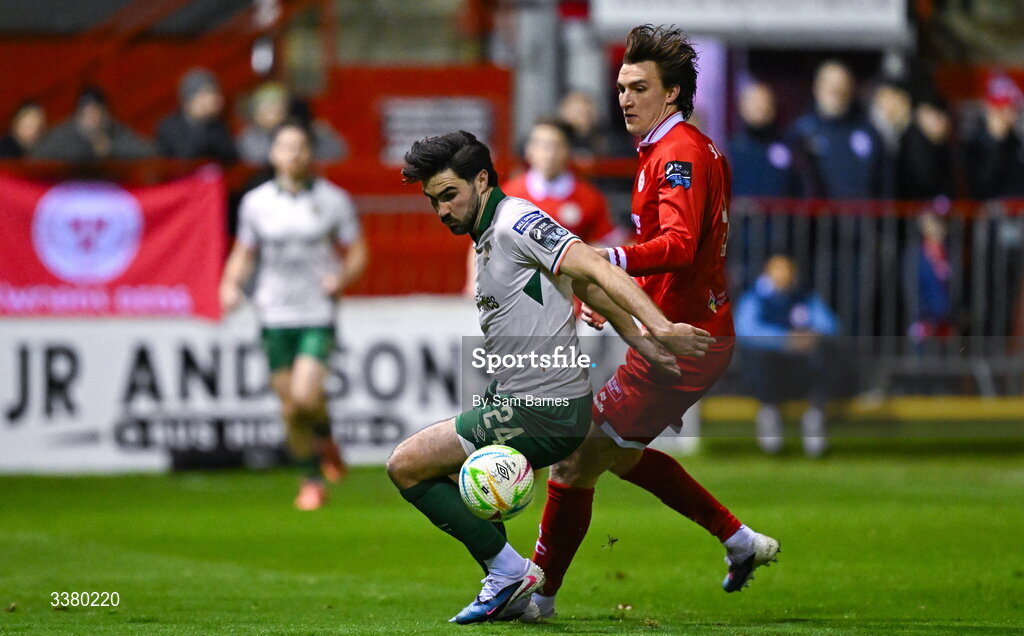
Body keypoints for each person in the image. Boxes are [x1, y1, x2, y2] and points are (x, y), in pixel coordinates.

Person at [387, 130, 714, 624]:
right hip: (520, 396)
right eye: (434, 201)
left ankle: (508, 574)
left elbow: (596, 267)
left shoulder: (516, 221)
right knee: (464, 483)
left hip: (540, 408)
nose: (442, 210)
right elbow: (579, 282)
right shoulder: (491, 233)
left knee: (406, 465)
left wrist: (660, 328)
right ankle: (508, 585)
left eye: (449, 194)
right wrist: (640, 340)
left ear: (481, 180)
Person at [527, 25, 779, 621]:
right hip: (679, 328)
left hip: (683, 339)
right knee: (617, 454)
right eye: (620, 87)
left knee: (575, 460)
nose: (624, 98)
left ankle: (537, 598)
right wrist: (619, 289)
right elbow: (673, 254)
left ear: (671, 95)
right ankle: (739, 540)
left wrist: (606, 259)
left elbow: (681, 244)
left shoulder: (681, 153)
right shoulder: (672, 150)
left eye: (639, 87)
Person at [220, 121, 368, 511]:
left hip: (316, 311)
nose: (293, 154)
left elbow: (357, 252)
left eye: (300, 147)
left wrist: (342, 277)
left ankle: (323, 441)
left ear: (310, 154)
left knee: (304, 395)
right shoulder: (255, 203)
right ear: (273, 155)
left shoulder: (333, 200)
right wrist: (230, 283)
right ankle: (312, 476)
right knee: (290, 407)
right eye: (285, 147)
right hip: (273, 313)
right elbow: (245, 251)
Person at [735, 255, 839, 457]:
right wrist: (785, 339)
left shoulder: (804, 297)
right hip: (769, 370)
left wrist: (811, 335)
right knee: (760, 356)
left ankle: (815, 417)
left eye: (788, 270)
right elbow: (745, 330)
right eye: (778, 270)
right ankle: (769, 415)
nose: (784, 276)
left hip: (800, 368)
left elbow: (830, 325)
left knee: (825, 354)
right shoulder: (755, 299)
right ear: (768, 273)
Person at [505, 117, 628, 246]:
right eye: (538, 144)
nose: (546, 153)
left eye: (553, 145)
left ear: (568, 150)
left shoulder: (590, 197)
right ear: (528, 150)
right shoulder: (510, 195)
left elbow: (606, 243)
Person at [789, 60, 885, 199]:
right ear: (816, 88)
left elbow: (884, 181)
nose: (836, 90)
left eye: (841, 85)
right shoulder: (800, 132)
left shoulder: (869, 132)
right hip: (817, 218)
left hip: (861, 218)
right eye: (830, 86)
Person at [33, 86, 153, 161]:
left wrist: (111, 149)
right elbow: (36, 159)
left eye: (96, 112)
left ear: (105, 114)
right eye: (87, 113)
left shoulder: (115, 131)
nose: (92, 118)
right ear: (78, 115)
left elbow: (149, 153)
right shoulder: (64, 133)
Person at [727, 81, 801, 197]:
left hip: (782, 214)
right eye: (754, 103)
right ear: (742, 107)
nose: (760, 108)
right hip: (740, 215)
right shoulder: (730, 152)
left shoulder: (790, 147)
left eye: (765, 102)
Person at [156, 68, 237, 163]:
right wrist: (200, 122)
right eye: (207, 94)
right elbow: (185, 158)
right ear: (191, 100)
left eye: (215, 93)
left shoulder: (216, 122)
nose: (215, 99)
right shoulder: (169, 126)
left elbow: (231, 155)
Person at [964, 73, 1024, 200]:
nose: (1009, 115)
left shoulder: (1015, 142)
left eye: (1013, 109)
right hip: (990, 214)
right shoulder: (973, 145)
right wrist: (996, 141)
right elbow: (980, 187)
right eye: (1001, 109)